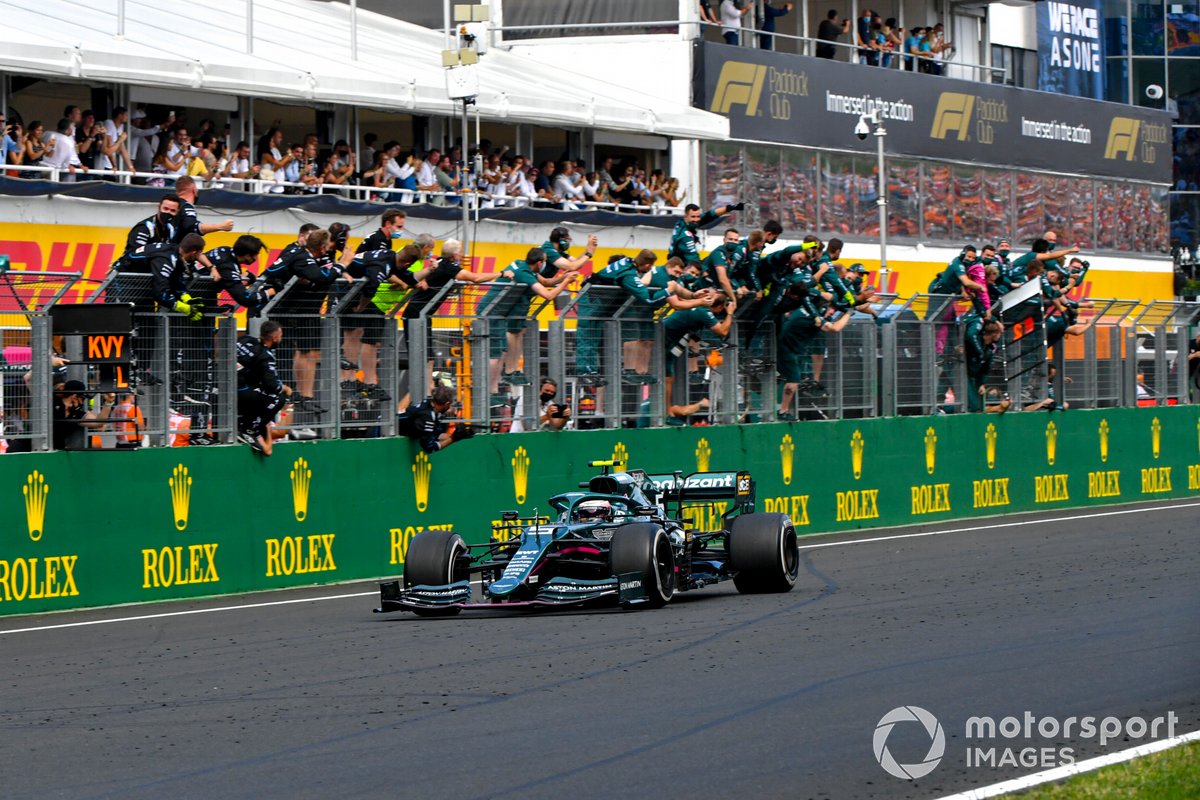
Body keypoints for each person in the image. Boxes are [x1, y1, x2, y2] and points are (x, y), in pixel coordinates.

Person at [236, 320, 291, 456]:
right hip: (242, 392)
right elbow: (272, 385)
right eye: (281, 335)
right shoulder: (266, 356)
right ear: (275, 337)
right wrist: (285, 389)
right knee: (278, 398)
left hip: (224, 386)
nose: (281, 338)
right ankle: (249, 428)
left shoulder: (245, 339)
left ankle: (246, 423)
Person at [396, 383, 473, 453]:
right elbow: (430, 448)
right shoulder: (427, 417)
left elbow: (436, 435)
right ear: (447, 403)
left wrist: (454, 434)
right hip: (396, 433)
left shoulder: (428, 403)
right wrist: (453, 438)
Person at [668, 201, 743, 265]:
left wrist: (730, 208)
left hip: (675, 261)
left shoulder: (682, 222)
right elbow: (694, 261)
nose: (696, 219)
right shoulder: (686, 237)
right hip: (679, 268)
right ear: (686, 216)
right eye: (693, 217)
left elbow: (710, 215)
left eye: (698, 216)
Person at [53, 381, 118, 450]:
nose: (84, 402)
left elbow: (99, 423)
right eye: (83, 398)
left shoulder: (75, 413)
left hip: (58, 450)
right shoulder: (52, 405)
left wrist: (108, 403)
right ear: (74, 397)